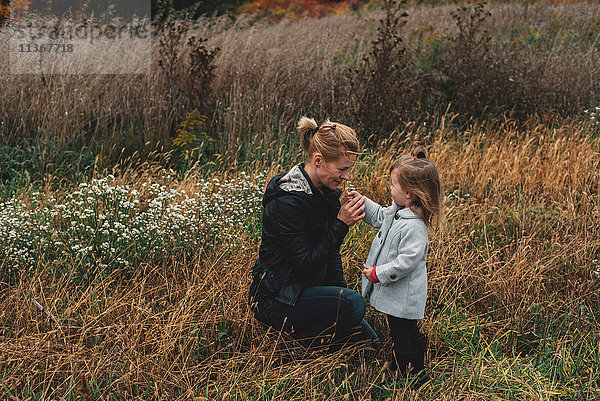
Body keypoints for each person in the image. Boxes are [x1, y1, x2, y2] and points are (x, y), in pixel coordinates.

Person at [248, 116, 378, 349]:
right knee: (353, 305)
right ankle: (300, 346)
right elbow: (304, 262)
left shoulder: (324, 191)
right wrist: (341, 224)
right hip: (278, 298)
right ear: (318, 160)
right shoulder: (287, 201)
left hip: (306, 288)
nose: (346, 177)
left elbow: (331, 254)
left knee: (369, 340)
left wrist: (339, 294)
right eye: (342, 169)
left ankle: (329, 331)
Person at [349, 147, 442, 377]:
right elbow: (381, 216)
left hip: (403, 296)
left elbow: (406, 262)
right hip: (397, 294)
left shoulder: (414, 225)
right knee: (404, 329)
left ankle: (407, 369)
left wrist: (378, 273)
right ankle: (415, 355)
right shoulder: (399, 210)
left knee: (401, 333)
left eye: (393, 184)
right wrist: (362, 202)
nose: (390, 188)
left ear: (409, 193)